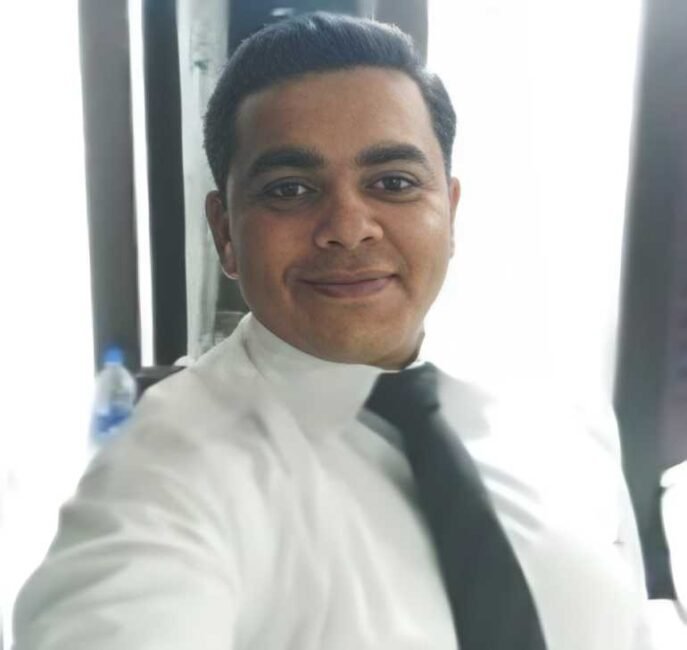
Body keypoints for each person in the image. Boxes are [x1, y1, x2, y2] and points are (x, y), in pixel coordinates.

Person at [13, 12, 653, 650]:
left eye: (394, 183)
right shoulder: (165, 475)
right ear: (226, 232)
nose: (348, 228)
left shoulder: (563, 419)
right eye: (290, 189)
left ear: (450, 211)